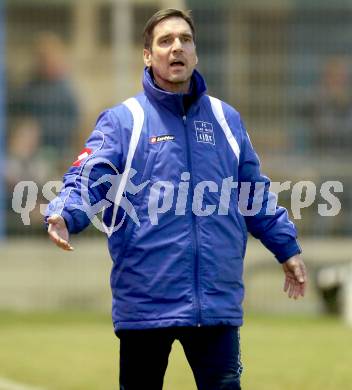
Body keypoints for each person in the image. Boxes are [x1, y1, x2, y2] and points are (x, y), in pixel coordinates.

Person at [45, 9, 307, 390]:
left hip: (216, 305)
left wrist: (287, 248)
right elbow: (88, 177)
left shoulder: (226, 119)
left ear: (196, 53)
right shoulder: (124, 121)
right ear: (148, 56)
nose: (176, 47)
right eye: (165, 41)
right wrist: (65, 212)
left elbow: (254, 193)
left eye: (185, 39)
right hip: (146, 305)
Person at [8, 32, 80, 167]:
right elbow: (15, 112)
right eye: (41, 58)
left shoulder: (66, 92)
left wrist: (40, 131)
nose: (45, 63)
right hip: (28, 148)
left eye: (49, 58)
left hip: (55, 149)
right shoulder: (28, 88)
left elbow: (72, 124)